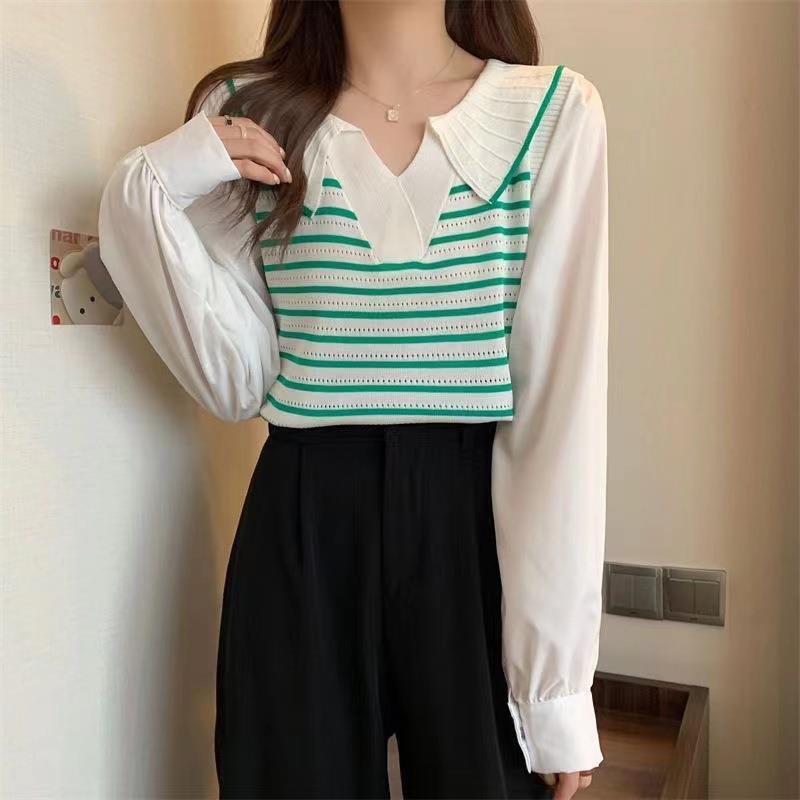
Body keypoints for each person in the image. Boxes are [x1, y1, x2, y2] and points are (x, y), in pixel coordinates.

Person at [97, 1, 609, 798]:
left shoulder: (550, 113)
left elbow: (557, 414)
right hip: (301, 522)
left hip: (475, 532)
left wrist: (557, 691)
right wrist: (153, 185)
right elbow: (237, 381)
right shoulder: (249, 113)